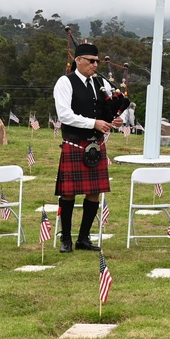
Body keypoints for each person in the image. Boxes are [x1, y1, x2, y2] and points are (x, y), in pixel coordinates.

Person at [54, 42, 124, 253]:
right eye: (91, 61)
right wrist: (93, 123)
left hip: (96, 144)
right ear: (79, 61)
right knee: (68, 194)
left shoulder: (100, 83)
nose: (95, 65)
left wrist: (116, 119)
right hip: (75, 142)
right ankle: (66, 238)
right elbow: (64, 115)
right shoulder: (65, 82)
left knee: (94, 192)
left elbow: (106, 111)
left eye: (97, 61)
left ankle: (83, 238)